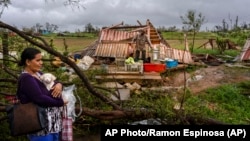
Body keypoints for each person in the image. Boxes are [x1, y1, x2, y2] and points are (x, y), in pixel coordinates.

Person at [17, 47, 68, 141]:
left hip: (52, 125)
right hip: (40, 128)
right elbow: (39, 98)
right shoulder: (26, 78)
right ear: (28, 62)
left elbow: (53, 81)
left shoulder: (39, 74)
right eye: (38, 60)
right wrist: (60, 102)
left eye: (41, 60)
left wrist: (59, 84)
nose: (41, 63)